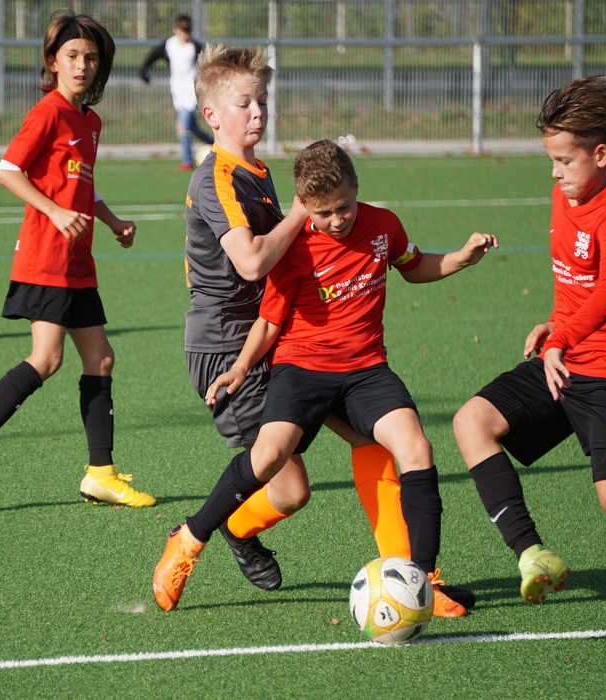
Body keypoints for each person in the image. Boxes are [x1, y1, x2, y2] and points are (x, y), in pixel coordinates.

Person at [177, 45, 468, 617]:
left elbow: (398, 262)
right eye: (245, 104)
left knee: (374, 442)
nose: (259, 113)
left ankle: (414, 578)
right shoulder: (217, 179)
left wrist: (457, 257)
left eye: (263, 101)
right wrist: (301, 211)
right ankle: (208, 533)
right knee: (287, 486)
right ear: (211, 115)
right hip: (230, 342)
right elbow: (253, 264)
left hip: (292, 339)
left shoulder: (259, 172)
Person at [451, 76, 606, 645]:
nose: (555, 172)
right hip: (566, 354)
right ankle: (533, 555)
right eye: (551, 159)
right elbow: (575, 283)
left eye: (564, 160)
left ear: (601, 155)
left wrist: (560, 337)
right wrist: (554, 324)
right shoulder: (563, 196)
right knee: (472, 422)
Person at [0, 11, 155, 510]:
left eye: (91, 58)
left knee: (100, 359)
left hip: (78, 260)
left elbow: (83, 185)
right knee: (47, 358)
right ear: (52, 61)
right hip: (46, 256)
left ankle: (100, 474)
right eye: (72, 56)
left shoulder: (90, 122)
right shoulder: (48, 112)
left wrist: (111, 221)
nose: (82, 65)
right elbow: (7, 170)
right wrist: (55, 212)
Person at [138, 13, 212, 172]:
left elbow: (208, 63)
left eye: (187, 31)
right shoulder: (169, 44)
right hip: (177, 91)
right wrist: (144, 69)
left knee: (182, 126)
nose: (184, 35)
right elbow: (154, 55)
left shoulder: (195, 47)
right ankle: (216, 145)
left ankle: (187, 161)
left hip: (191, 91)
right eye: (181, 31)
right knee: (192, 128)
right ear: (176, 29)